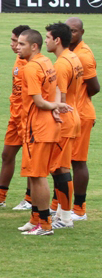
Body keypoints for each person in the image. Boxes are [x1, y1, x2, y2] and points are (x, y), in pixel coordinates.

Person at [15, 30, 72, 236]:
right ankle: (35, 218)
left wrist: (55, 105)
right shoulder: (47, 62)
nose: (17, 47)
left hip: (37, 128)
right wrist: (56, 106)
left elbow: (38, 102)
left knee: (38, 176)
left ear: (34, 46)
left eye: (21, 44)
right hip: (45, 126)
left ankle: (45, 224)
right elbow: (56, 88)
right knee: (33, 174)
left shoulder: (30, 68)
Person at [0, 25, 32, 209]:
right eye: (12, 41)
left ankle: (30, 199)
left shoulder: (31, 64)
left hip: (27, 118)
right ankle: (0, 197)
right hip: (15, 117)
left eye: (16, 42)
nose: (13, 45)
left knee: (30, 159)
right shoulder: (19, 60)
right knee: (6, 155)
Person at [45, 23, 83, 229]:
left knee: (60, 169)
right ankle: (61, 213)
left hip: (65, 120)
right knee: (60, 168)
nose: (45, 41)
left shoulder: (60, 65)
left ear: (57, 40)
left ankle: (66, 218)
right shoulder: (74, 58)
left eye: (48, 37)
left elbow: (61, 98)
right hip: (75, 114)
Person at [66, 17, 99, 221]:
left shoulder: (83, 56)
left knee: (77, 161)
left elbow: (94, 87)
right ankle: (61, 204)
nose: (71, 34)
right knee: (64, 161)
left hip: (81, 114)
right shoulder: (70, 53)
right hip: (73, 112)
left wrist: (80, 101)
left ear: (82, 33)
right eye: (68, 31)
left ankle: (79, 208)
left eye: (75, 31)